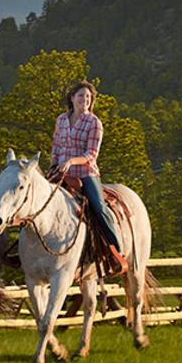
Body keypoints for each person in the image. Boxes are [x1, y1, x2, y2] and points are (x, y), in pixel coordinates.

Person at [50, 80, 126, 276]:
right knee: (35, 200)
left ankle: (115, 251)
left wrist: (71, 162)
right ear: (72, 98)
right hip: (60, 171)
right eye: (81, 95)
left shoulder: (94, 123)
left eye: (88, 97)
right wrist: (53, 165)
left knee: (98, 207)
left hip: (85, 172)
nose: (84, 100)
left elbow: (91, 154)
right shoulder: (61, 120)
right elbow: (57, 146)